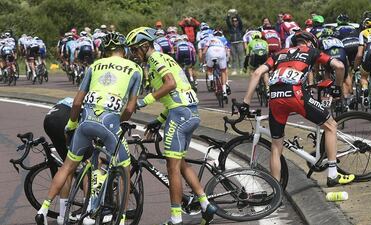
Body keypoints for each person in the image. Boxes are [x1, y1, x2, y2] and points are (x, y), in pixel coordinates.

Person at [35, 32, 143, 225]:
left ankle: (43, 208)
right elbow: (129, 108)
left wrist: (71, 125)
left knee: (68, 166)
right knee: (124, 169)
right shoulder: (135, 68)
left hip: (85, 122)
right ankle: (120, 217)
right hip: (109, 124)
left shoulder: (94, 66)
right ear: (124, 50)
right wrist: (121, 122)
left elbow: (77, 102)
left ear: (105, 51)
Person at [125, 27, 216, 225]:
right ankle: (205, 203)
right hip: (189, 112)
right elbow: (177, 95)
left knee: (172, 167)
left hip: (180, 115)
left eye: (134, 49)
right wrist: (159, 120)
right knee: (181, 162)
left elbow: (171, 84)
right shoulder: (166, 59)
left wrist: (143, 101)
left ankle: (176, 219)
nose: (133, 54)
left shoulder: (156, 59)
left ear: (145, 46)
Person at [241, 31, 355, 187]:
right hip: (296, 95)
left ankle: (276, 191)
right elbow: (339, 66)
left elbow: (257, 72)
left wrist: (246, 102)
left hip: (275, 98)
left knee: (276, 146)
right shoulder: (311, 51)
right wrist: (336, 87)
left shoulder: (278, 54)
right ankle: (333, 174)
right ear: (309, 43)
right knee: (331, 126)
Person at [203, 30, 230, 98]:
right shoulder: (223, 40)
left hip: (211, 52)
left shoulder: (210, 39)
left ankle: (211, 80)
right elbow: (227, 51)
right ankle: (224, 92)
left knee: (209, 68)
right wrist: (226, 58)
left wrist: (204, 60)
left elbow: (204, 52)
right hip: (221, 52)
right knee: (223, 71)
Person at [226, 9, 245, 75]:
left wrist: (236, 14)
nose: (235, 22)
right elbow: (227, 22)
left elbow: (240, 21)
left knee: (241, 57)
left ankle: (241, 69)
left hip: (239, 42)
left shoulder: (240, 27)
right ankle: (234, 70)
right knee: (233, 57)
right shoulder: (230, 28)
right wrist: (228, 15)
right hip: (232, 44)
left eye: (236, 21)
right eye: (233, 21)